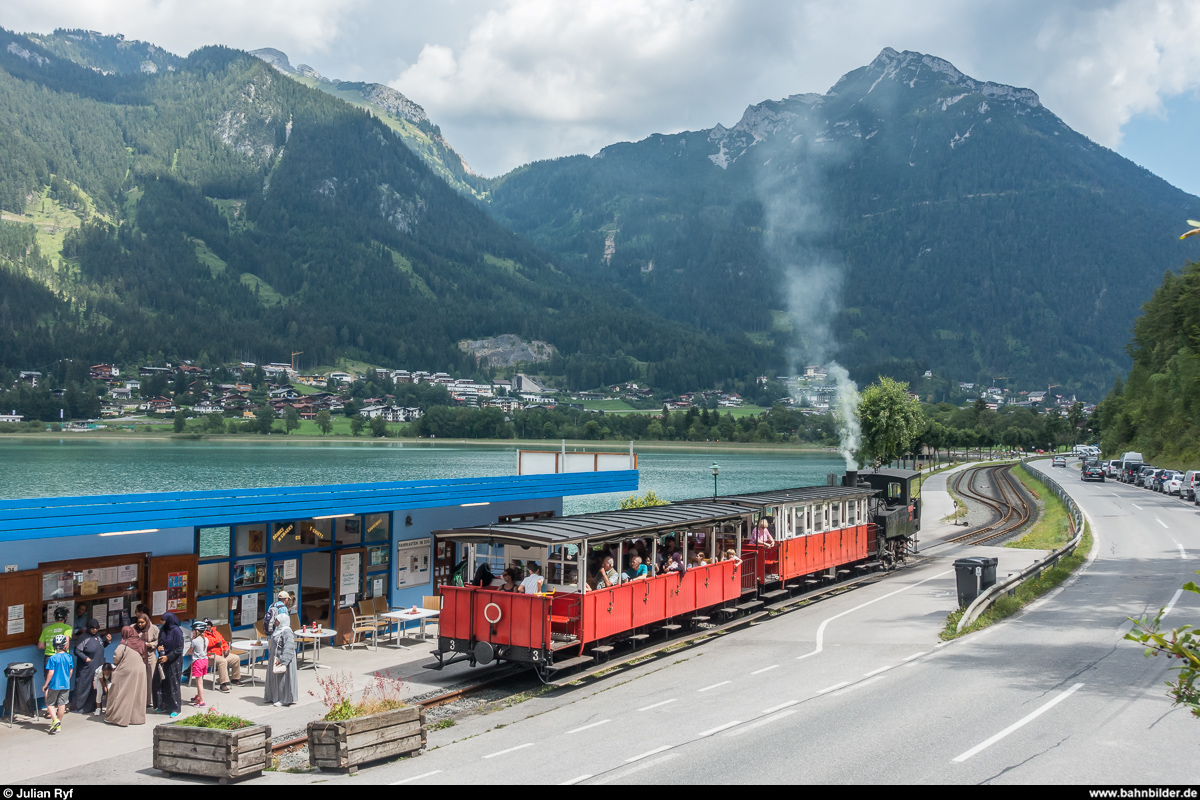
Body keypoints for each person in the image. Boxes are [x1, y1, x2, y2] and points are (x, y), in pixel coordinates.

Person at [105, 624, 147, 727]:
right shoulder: (141, 643)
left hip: (126, 671)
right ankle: (136, 719)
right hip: (141, 670)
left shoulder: (124, 644)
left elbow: (116, 658)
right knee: (137, 694)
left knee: (121, 693)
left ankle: (118, 718)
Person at [69, 619, 110, 714]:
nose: (94, 630)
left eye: (96, 628)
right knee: (84, 686)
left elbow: (101, 646)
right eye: (92, 628)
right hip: (87, 667)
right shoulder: (83, 637)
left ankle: (92, 706)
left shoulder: (97, 636)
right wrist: (86, 659)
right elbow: (77, 651)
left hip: (98, 664)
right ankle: (78, 707)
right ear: (88, 628)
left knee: (95, 687)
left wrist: (107, 642)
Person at [155, 612, 185, 717]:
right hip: (162, 660)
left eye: (163, 620)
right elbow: (160, 642)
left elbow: (179, 648)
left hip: (174, 661)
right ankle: (163, 705)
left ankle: (176, 708)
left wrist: (168, 657)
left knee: (173, 684)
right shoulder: (163, 630)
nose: (161, 622)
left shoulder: (177, 632)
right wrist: (159, 648)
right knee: (161, 683)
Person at [42, 635, 72, 734]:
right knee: (62, 703)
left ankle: (55, 720)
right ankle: (59, 723)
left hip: (54, 684)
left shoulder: (52, 658)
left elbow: (50, 673)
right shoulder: (69, 657)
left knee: (50, 703)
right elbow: (70, 671)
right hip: (66, 684)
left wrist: (46, 684)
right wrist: (67, 679)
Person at [264, 615, 297, 707]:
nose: (276, 622)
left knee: (283, 680)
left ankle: (284, 699)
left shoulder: (287, 632)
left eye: (277, 620)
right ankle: (273, 697)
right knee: (274, 679)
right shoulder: (278, 630)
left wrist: (282, 659)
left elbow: (289, 647)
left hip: (282, 659)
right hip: (275, 658)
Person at [201, 618, 242, 692]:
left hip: (221, 653)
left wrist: (227, 649)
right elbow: (206, 644)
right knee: (222, 661)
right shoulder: (202, 634)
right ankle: (223, 684)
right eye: (206, 625)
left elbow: (223, 642)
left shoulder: (216, 632)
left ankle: (235, 679)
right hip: (209, 655)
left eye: (209, 624)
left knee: (236, 658)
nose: (207, 626)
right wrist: (216, 641)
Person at [134, 605, 159, 708]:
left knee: (150, 678)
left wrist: (150, 645)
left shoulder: (153, 628)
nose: (140, 625)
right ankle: (138, 700)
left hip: (149, 656)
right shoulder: (133, 628)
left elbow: (158, 641)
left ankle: (149, 700)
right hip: (137, 657)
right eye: (138, 622)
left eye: (142, 623)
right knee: (138, 679)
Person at [186, 621, 209, 708]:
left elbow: (189, 651)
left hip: (197, 662)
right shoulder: (206, 639)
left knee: (199, 683)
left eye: (193, 630)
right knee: (200, 681)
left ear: (197, 631)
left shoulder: (195, 641)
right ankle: (198, 696)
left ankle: (201, 701)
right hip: (204, 661)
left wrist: (191, 642)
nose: (192, 631)